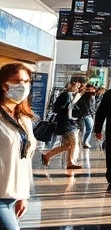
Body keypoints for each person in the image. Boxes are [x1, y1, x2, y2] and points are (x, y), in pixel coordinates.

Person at [0, 63, 37, 230]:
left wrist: (24, 195)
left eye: (26, 81)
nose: (22, 86)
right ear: (3, 84)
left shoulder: (24, 118)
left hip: (14, 195)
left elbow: (25, 159)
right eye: (16, 81)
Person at [41, 81, 83, 170]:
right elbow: (59, 108)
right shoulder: (66, 95)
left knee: (68, 145)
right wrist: (67, 109)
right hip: (67, 123)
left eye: (78, 87)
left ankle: (48, 156)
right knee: (73, 143)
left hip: (67, 122)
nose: (77, 88)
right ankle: (70, 162)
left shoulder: (68, 95)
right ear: (70, 86)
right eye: (76, 86)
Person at [75, 84, 98, 149]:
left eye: (91, 89)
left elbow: (92, 106)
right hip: (84, 114)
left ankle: (85, 142)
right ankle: (83, 142)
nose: (90, 91)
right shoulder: (84, 96)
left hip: (88, 114)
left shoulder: (93, 95)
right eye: (88, 89)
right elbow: (81, 104)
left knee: (88, 128)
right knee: (83, 129)